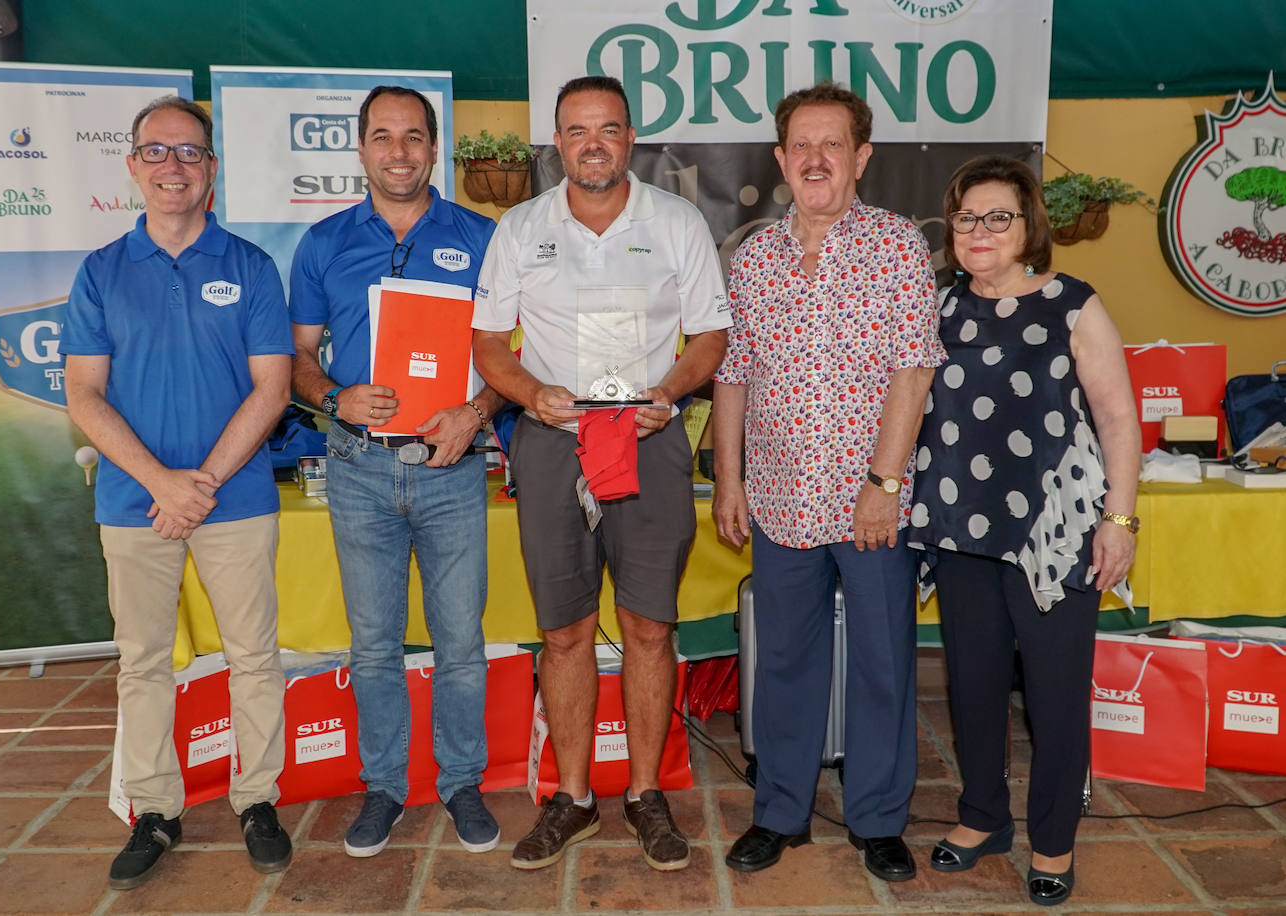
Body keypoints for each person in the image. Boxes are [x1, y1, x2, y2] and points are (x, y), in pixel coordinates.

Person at [472, 75, 730, 872]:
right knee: (565, 629)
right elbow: (486, 344)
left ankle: (646, 794)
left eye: (609, 129)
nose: (593, 143)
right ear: (558, 142)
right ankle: (574, 798)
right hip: (551, 438)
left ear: (630, 139)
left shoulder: (677, 221)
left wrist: (670, 391)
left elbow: (712, 337)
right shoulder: (519, 228)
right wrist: (530, 395)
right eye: (577, 130)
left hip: (648, 433)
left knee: (651, 624)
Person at [712, 81, 945, 881]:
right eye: (801, 146)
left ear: (861, 157)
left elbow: (914, 371)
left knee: (882, 660)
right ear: (781, 160)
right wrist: (732, 479)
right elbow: (735, 374)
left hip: (868, 501)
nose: (815, 159)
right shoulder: (754, 258)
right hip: (778, 498)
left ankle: (878, 820)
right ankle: (780, 812)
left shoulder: (896, 247)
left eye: (832, 144)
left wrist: (885, 481)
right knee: (782, 661)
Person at [61, 95, 294, 889]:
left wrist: (201, 486)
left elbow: (272, 389)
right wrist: (165, 483)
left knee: (255, 658)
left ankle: (257, 798)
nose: (173, 167)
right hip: (135, 504)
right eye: (156, 152)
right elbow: (84, 396)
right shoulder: (99, 272)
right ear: (132, 166)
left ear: (212, 170)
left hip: (237, 501)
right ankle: (155, 811)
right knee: (143, 663)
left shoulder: (251, 267)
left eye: (189, 153)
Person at [907, 155, 1140, 907]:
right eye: (967, 217)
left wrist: (1121, 521)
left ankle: (1052, 840)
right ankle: (982, 817)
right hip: (960, 530)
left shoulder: (1074, 304)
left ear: (1029, 225)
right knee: (972, 683)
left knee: (1054, 691)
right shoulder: (938, 306)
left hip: (1053, 533)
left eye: (998, 216)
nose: (980, 231)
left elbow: (1117, 420)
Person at [288, 85, 505, 858]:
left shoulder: (482, 237)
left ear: (433, 146)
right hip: (358, 470)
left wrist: (477, 412)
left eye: (414, 137)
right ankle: (384, 785)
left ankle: (461, 783)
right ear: (362, 149)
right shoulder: (323, 244)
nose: (399, 152)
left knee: (460, 642)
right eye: (383, 137)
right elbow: (298, 359)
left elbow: (514, 354)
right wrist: (333, 395)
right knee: (374, 644)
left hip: (450, 469)